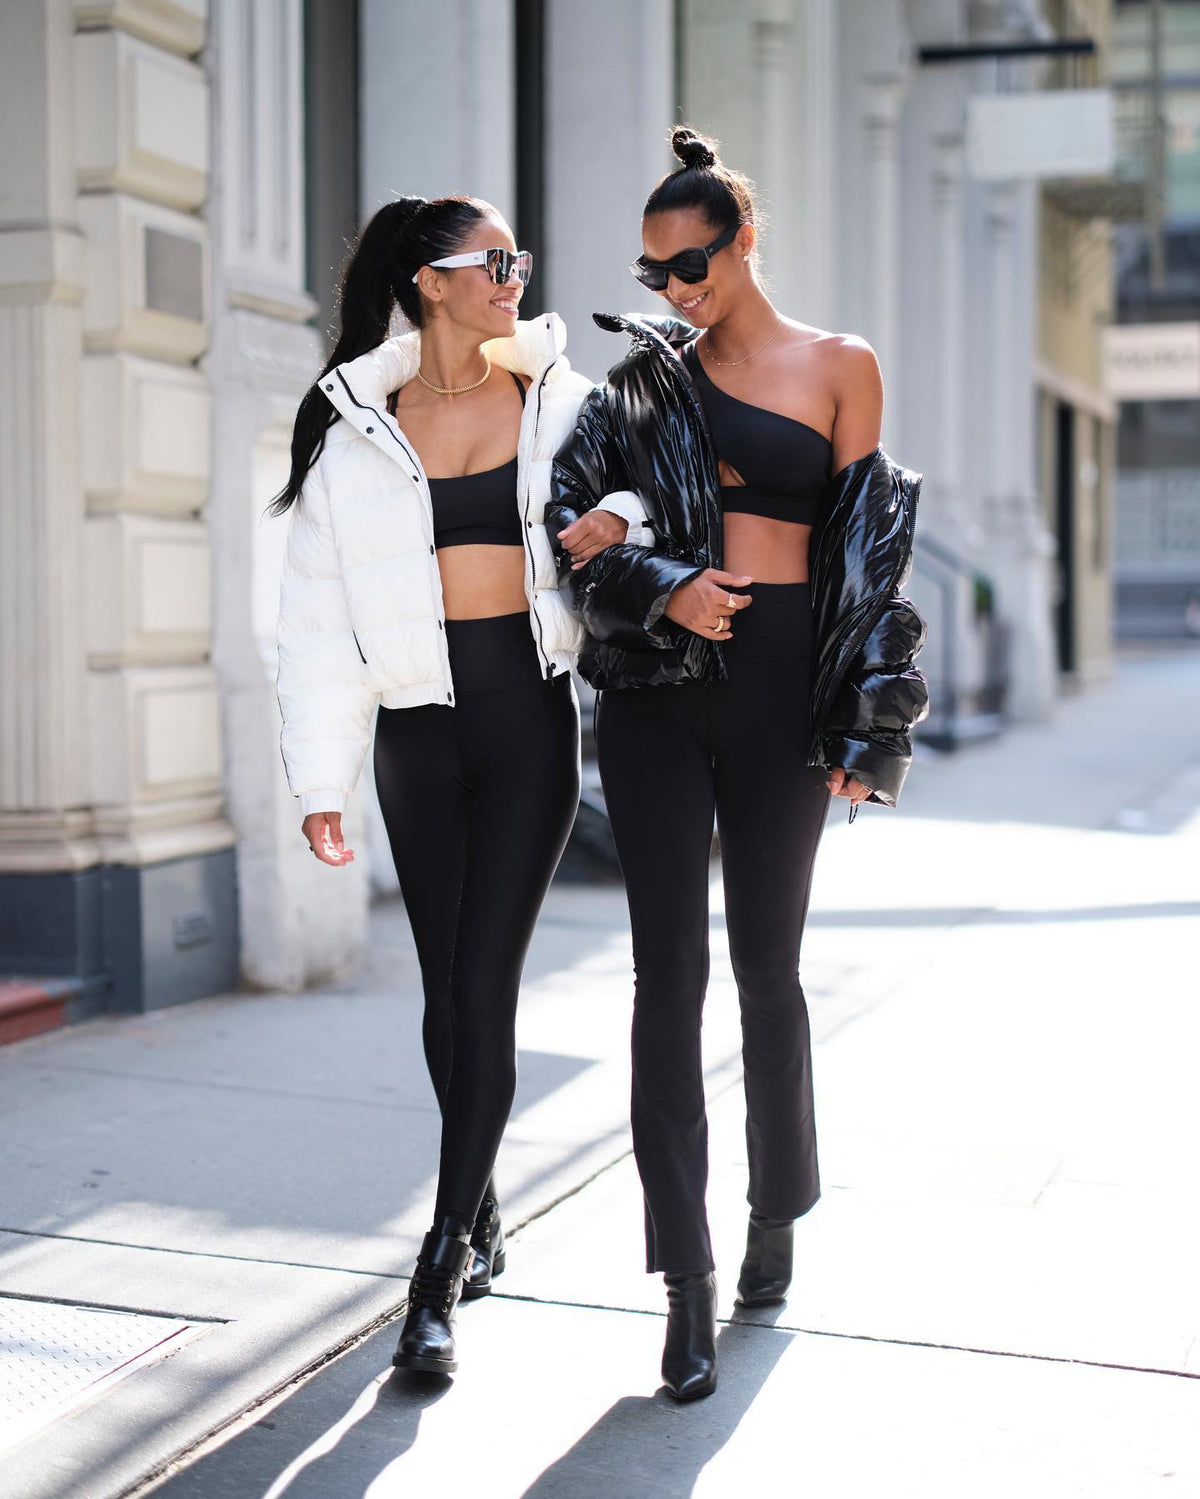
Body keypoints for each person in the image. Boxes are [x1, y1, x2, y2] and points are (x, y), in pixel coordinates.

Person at [549, 127, 928, 1401]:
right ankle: (686, 1277)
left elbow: (869, 560)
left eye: (691, 264)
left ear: (743, 240)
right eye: (653, 273)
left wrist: (868, 729)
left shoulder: (841, 364)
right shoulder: (639, 385)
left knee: (769, 966)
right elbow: (574, 530)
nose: (674, 290)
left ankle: (775, 1209)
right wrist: (663, 583)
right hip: (658, 691)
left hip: (779, 690)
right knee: (668, 974)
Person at [273, 195, 627, 1376]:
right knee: (445, 990)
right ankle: (482, 1208)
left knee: (484, 987)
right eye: (493, 260)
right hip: (415, 734)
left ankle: (439, 1264)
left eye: (518, 258)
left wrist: (621, 513)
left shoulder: (564, 401)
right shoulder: (354, 429)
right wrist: (321, 780)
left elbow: (650, 493)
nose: (514, 275)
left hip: (528, 722)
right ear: (431, 281)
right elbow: (315, 624)